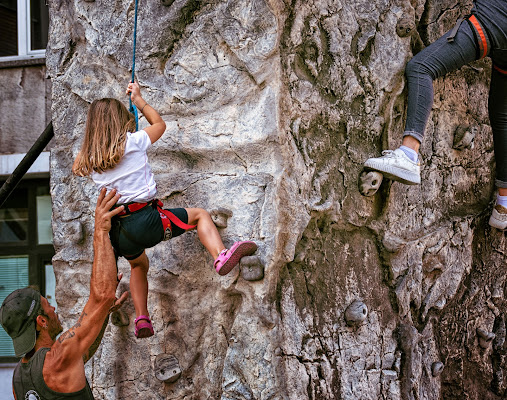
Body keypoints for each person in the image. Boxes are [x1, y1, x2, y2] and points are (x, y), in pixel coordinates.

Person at [72, 81, 258, 338]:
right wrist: (139, 101)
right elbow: (160, 125)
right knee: (200, 215)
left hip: (119, 232)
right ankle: (220, 255)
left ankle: (142, 317)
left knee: (139, 266)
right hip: (146, 219)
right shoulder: (134, 142)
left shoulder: (90, 161)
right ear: (119, 121)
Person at [364, 0, 507, 228]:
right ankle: (504, 203)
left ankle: (408, 155)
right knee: (502, 117)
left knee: (421, 68)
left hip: (495, 19)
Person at [0, 188, 128, 400]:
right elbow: (104, 294)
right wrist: (100, 229)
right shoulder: (59, 355)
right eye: (47, 303)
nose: (53, 307)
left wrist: (103, 313)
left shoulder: (18, 380)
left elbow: (81, 354)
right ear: (41, 321)